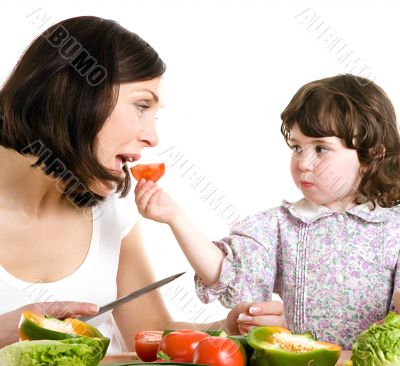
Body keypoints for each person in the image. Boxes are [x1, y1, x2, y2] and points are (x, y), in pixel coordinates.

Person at [0, 16, 235, 353]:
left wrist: (228, 328)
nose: (152, 137)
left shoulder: (112, 211)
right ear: (73, 91)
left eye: (155, 115)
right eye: (141, 106)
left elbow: (152, 332)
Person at [135, 74, 400, 349]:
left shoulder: (394, 229)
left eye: (321, 148)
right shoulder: (281, 225)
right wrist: (175, 218)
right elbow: (225, 271)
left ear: (371, 155)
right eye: (297, 147)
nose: (304, 163)